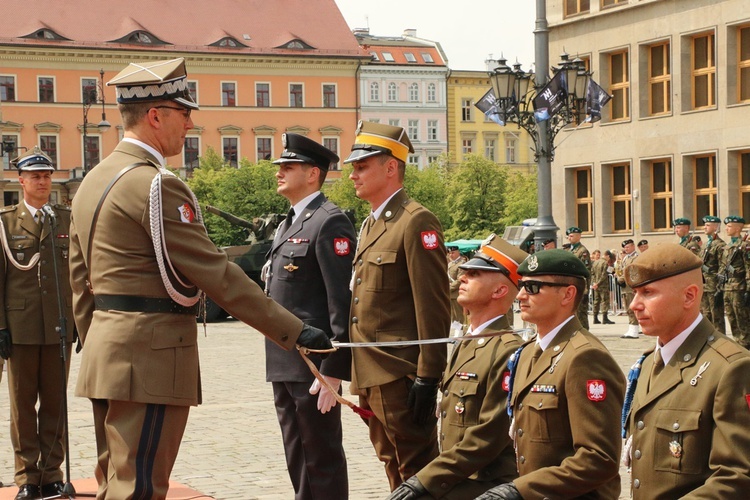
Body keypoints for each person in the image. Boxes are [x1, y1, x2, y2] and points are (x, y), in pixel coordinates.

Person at [68, 58, 332, 499]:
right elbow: (218, 275)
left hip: (108, 353)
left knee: (114, 482)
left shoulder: (94, 178)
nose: (190, 123)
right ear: (155, 115)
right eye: (184, 112)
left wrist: (95, 337)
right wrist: (296, 330)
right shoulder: (156, 185)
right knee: (140, 489)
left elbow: (79, 275)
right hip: (150, 356)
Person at [344, 120, 450, 490]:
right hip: (372, 371)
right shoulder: (371, 225)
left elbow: (433, 304)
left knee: (418, 472)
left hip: (399, 372)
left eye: (361, 167)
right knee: (393, 466)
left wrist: (428, 374)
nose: (353, 175)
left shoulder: (415, 220)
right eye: (353, 168)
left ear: (391, 167)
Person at [386, 235, 526, 500]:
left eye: (474, 274)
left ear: (499, 291)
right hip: (457, 478)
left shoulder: (507, 350)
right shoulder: (468, 342)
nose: (462, 277)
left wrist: (424, 481)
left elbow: (488, 437)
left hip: (487, 484)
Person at [477, 250, 625, 500]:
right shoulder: (526, 353)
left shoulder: (584, 357)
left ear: (567, 294)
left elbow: (598, 459)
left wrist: (519, 490)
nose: (521, 295)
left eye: (533, 287)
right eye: (521, 286)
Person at [262, 133, 355, 499]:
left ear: (313, 173)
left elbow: (342, 302)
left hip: (315, 365)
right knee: (298, 455)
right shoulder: (289, 223)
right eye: (280, 166)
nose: (279, 173)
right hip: (284, 359)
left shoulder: (329, 222)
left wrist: (335, 369)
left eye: (289, 167)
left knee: (321, 457)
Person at [622, 243, 750, 498]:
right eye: (635, 293)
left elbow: (736, 477)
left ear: (689, 296)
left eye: (648, 292)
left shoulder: (731, 367)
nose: (634, 305)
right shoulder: (648, 363)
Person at [0, 148, 73, 500]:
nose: (43, 182)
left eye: (46, 176)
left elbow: (78, 274)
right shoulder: (5, 222)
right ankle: (27, 477)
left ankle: (52, 474)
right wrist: (1, 327)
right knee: (23, 406)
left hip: (59, 325)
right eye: (35, 176)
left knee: (56, 405)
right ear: (21, 181)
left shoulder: (65, 219)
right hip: (21, 327)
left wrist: (78, 324)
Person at [718, 215, 750, 348]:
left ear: (738, 228)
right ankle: (738, 344)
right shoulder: (727, 247)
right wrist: (719, 287)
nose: (726, 228)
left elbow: (748, 268)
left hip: (739, 288)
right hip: (727, 288)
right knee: (731, 318)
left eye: (729, 226)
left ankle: (746, 346)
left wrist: (748, 289)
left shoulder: (744, 247)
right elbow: (721, 268)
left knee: (742, 319)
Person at [699, 215, 726, 333]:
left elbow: (723, 265)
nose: (705, 227)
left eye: (708, 225)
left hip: (714, 285)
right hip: (704, 284)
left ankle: (720, 340)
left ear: (715, 227)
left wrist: (719, 286)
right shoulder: (705, 245)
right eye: (705, 225)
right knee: (706, 313)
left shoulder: (720, 245)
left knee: (717, 315)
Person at [565, 226, 591, 329]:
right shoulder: (569, 250)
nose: (569, 238)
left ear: (578, 237)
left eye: (571, 236)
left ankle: (584, 331)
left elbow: (586, 270)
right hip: (570, 283)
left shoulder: (582, 251)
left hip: (579, 284)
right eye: (568, 236)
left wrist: (584, 288)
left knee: (581, 311)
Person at [618, 239, 640, 339]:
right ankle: (631, 328)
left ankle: (634, 329)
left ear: (633, 246)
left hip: (631, 286)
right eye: (625, 247)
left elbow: (633, 271)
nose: (626, 249)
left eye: (628, 247)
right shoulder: (625, 258)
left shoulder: (636, 257)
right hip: (625, 286)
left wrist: (623, 278)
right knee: (627, 308)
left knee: (632, 308)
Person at [591, 249, 615, 325]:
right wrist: (598, 283)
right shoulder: (605, 263)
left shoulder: (595, 262)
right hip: (603, 285)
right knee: (604, 301)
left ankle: (595, 318)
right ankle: (605, 318)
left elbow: (592, 273)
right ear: (607, 256)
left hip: (596, 285)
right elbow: (604, 275)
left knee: (596, 301)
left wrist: (594, 283)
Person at [447, 245, 467, 325]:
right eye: (449, 253)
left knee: (458, 316)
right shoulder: (450, 264)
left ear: (458, 252)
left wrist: (448, 288)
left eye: (453, 253)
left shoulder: (462, 263)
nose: (451, 255)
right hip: (450, 294)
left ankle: (460, 333)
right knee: (452, 316)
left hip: (457, 293)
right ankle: (456, 332)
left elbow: (460, 279)